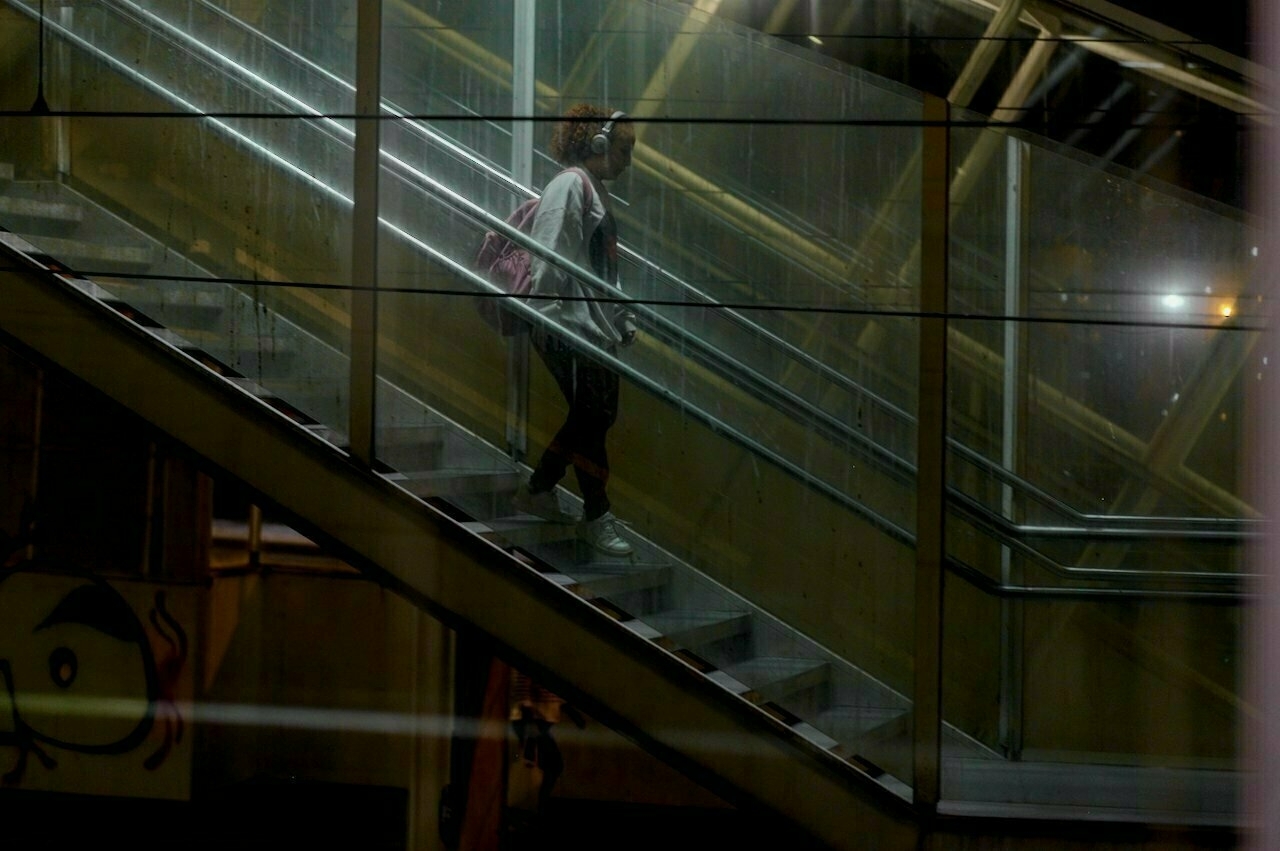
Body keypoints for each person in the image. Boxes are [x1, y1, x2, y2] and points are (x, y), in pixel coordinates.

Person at [512, 104, 638, 557]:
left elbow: (605, 272)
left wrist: (623, 319)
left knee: (596, 416)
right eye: (624, 149)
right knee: (591, 414)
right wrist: (545, 315)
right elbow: (547, 250)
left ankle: (541, 488)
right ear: (598, 142)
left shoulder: (594, 193)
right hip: (566, 322)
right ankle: (596, 513)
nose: (627, 160)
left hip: (591, 327)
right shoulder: (570, 185)